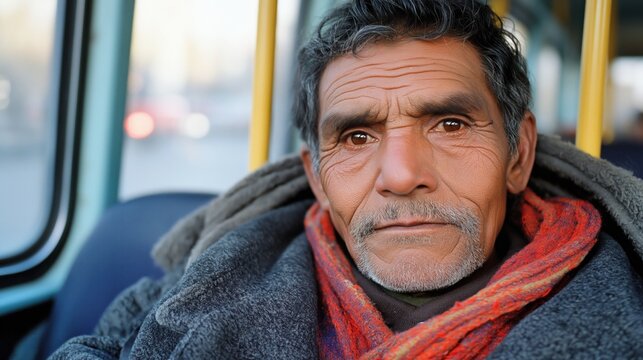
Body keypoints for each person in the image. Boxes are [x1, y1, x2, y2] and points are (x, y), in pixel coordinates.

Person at [52, 0, 643, 358]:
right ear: (316, 175)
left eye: (450, 124)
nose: (402, 175)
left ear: (519, 155)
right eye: (357, 137)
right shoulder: (201, 283)